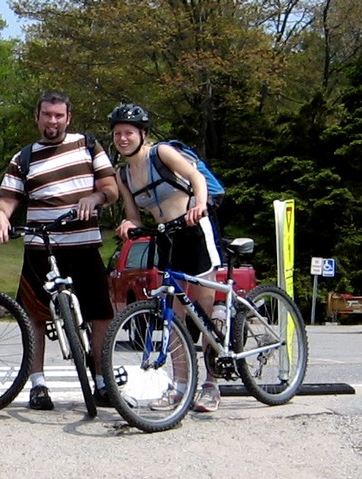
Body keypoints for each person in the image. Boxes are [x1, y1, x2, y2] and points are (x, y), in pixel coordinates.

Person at [0, 91, 118, 410]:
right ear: (37, 117)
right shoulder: (24, 157)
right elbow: (7, 197)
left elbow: (111, 188)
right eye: (47, 114)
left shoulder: (88, 146)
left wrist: (95, 198)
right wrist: (0, 216)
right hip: (40, 247)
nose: (53, 121)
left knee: (101, 314)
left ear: (68, 117)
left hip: (84, 244)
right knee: (33, 316)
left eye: (59, 115)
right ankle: (38, 384)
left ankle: (103, 382)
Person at [109, 103, 221, 413]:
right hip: (167, 238)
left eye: (128, 133)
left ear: (142, 134)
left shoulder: (162, 153)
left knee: (205, 311)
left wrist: (199, 206)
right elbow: (133, 215)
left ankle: (211, 384)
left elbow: (195, 177)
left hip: (195, 231)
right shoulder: (123, 174)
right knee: (174, 317)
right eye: (118, 133)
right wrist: (129, 225)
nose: (123, 138)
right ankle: (180, 387)